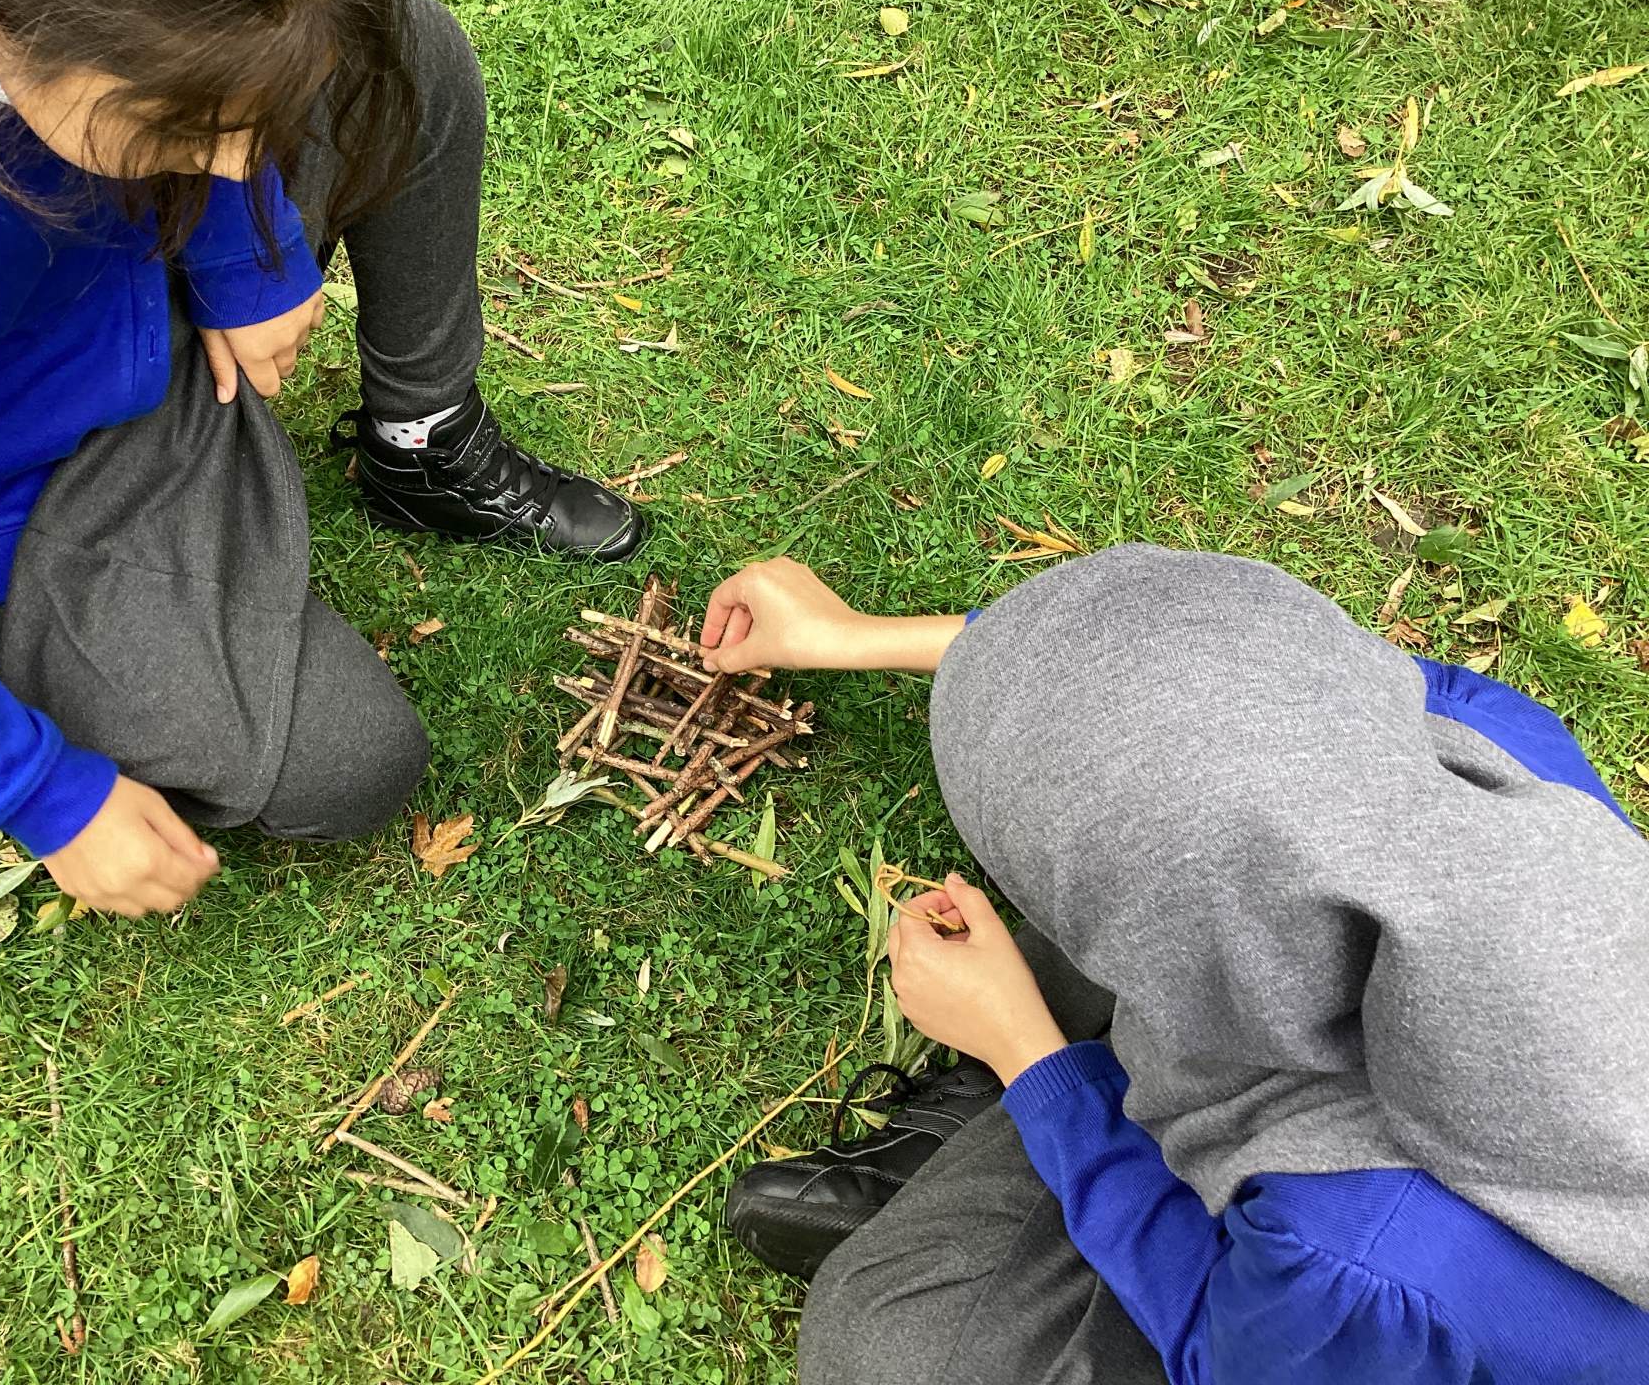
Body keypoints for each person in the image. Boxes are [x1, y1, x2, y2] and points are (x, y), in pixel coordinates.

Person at [0, 0, 643, 920]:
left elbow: (218, 47)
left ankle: (421, 441)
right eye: (181, 126)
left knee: (401, 54)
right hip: (11, 491)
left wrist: (244, 247)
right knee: (352, 761)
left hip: (122, 282)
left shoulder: (83, 24)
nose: (249, 161)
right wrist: (45, 795)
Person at [706, 549, 1649, 1383]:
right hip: (1343, 1138)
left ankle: (1025, 1121)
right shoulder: (1500, 744)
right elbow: (1223, 672)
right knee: (1150, 857)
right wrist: (855, 636)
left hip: (1320, 1338)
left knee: (880, 1343)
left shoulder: (1357, 1260)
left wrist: (1025, 1054)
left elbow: (1220, 1350)